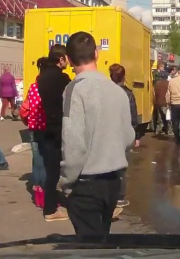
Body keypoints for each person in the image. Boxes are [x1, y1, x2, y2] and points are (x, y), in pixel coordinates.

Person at [60, 31, 135, 237]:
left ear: (68, 59)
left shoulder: (73, 90)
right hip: (113, 183)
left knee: (89, 248)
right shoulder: (118, 91)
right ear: (97, 54)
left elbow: (73, 144)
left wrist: (67, 183)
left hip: (85, 184)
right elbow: (128, 138)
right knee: (102, 241)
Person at [36, 44, 72, 222]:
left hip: (47, 127)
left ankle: (50, 205)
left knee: (51, 169)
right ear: (61, 59)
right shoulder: (62, 78)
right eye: (66, 58)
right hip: (61, 128)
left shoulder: (42, 77)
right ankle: (51, 210)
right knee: (58, 170)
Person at [109, 63, 143, 212]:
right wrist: (136, 136)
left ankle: (109, 194)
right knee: (121, 166)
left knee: (108, 164)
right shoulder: (128, 94)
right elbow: (133, 116)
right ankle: (120, 198)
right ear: (124, 76)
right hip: (123, 134)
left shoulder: (106, 92)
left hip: (107, 132)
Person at [26, 57, 49, 209]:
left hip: (33, 128)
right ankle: (45, 196)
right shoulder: (49, 88)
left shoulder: (33, 87)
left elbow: (28, 107)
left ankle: (37, 195)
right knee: (46, 162)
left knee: (37, 161)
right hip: (46, 129)